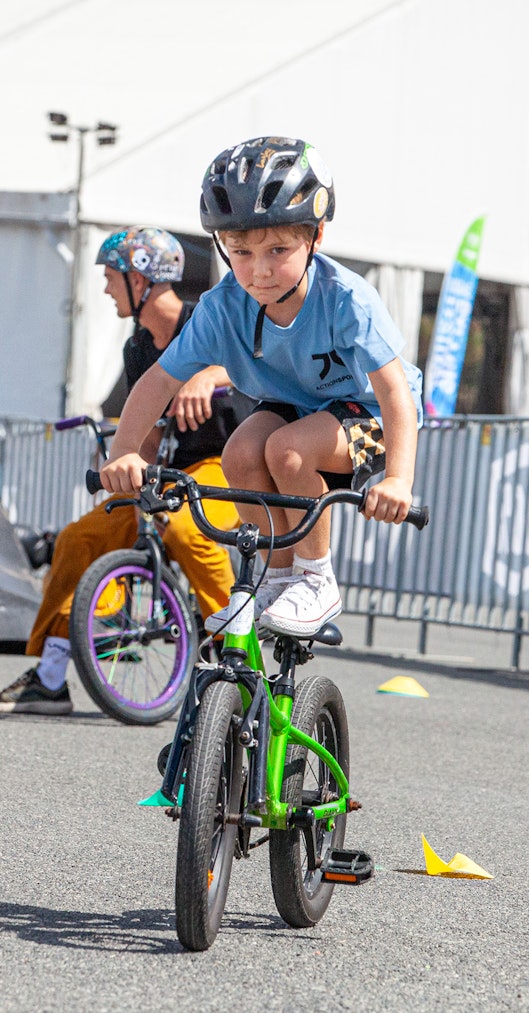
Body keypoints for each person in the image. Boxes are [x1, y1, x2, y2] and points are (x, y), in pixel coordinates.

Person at [97, 137, 423, 640]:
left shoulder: (346, 299)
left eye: (278, 250)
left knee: (288, 451)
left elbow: (395, 392)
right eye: (241, 253)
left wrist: (399, 479)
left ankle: (316, 580)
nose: (260, 270)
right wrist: (122, 451)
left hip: (369, 411)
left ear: (315, 237)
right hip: (295, 403)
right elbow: (160, 378)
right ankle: (277, 578)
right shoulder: (223, 305)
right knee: (241, 454)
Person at [0, 226, 243, 715]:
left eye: (112, 277)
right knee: (78, 537)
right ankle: (49, 678)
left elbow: (253, 364)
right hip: (171, 472)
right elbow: (149, 431)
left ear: (143, 279)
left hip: (226, 464)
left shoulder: (204, 321)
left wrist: (208, 375)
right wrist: (122, 461)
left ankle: (235, 648)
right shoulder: (137, 348)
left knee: (185, 529)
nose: (107, 289)